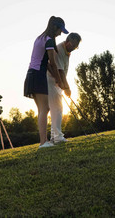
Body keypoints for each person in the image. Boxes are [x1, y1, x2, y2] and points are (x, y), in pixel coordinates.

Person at [24, 16, 68, 148]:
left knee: (42, 109)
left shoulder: (40, 38)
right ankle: (43, 142)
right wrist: (60, 81)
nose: (60, 33)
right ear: (55, 27)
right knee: (44, 109)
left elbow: (47, 64)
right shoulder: (49, 41)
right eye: (60, 30)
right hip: (37, 75)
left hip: (32, 75)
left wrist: (56, 79)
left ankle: (44, 141)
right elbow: (53, 64)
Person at [47, 33, 82, 144]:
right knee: (57, 109)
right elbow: (60, 71)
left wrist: (63, 85)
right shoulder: (59, 50)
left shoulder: (67, 51)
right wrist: (67, 87)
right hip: (51, 81)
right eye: (73, 45)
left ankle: (54, 137)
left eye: (76, 47)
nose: (74, 48)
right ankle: (58, 137)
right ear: (67, 41)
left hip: (56, 83)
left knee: (55, 109)